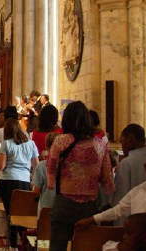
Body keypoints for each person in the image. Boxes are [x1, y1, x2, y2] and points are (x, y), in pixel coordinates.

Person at [47, 101, 114, 251]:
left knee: (58, 246)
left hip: (64, 202)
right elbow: (107, 179)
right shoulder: (100, 144)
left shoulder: (60, 141)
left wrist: (53, 183)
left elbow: (51, 170)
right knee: (86, 246)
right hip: (90, 205)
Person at [0, 118, 39, 248]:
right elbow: (36, 165)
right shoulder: (31, 144)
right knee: (21, 213)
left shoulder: (6, 144)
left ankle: (13, 245)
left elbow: (1, 166)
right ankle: (23, 241)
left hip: (7, 182)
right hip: (24, 182)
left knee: (11, 214)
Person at [112, 124, 146, 206]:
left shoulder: (127, 163)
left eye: (122, 141)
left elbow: (121, 198)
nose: (122, 146)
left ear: (130, 140)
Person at [32, 132, 59, 214]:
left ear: (47, 147)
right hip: (62, 210)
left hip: (45, 210)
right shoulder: (67, 165)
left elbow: (36, 192)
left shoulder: (41, 166)